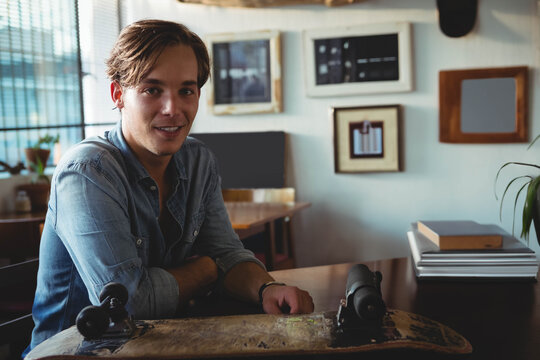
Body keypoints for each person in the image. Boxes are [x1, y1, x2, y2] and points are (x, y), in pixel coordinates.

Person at [25, 19, 313, 356]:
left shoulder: (197, 159)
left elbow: (227, 254)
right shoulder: (87, 172)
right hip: (76, 352)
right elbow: (131, 303)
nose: (173, 109)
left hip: (157, 345)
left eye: (186, 90)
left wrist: (267, 289)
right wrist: (207, 270)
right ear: (118, 94)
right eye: (152, 89)